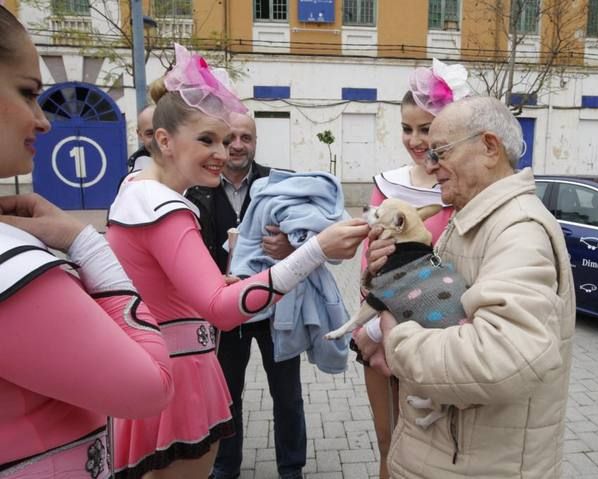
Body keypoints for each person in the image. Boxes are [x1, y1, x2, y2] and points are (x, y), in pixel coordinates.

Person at [106, 44, 369, 479]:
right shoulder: (164, 208)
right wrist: (316, 249)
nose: (222, 152)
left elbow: (174, 290)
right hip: (181, 370)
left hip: (158, 363)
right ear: (165, 141)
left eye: (225, 140)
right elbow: (221, 311)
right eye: (207, 140)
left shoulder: (136, 188)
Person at [359, 96, 576, 478]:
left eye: (440, 151)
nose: (429, 163)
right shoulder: (472, 218)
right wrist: (386, 274)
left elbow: (501, 356)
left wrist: (397, 340)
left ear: (489, 147)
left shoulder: (518, 231)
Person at [0, 7, 174, 478]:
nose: (44, 120)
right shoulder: (10, 269)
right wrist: (85, 243)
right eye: (27, 93)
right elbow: (150, 386)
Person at [350, 58, 468, 479]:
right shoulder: (387, 183)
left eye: (425, 128)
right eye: (407, 128)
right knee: (387, 443)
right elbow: (369, 264)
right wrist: (369, 315)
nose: (415, 140)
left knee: (424, 454)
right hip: (380, 329)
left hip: (434, 334)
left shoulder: (461, 189)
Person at [186, 113, 306, 479]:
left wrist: (290, 245)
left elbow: (308, 235)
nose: (238, 145)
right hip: (224, 311)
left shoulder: (279, 184)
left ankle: (291, 469)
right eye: (231, 137)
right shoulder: (196, 187)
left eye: (246, 138)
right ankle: (226, 467)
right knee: (226, 397)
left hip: (274, 310)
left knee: (287, 397)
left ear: (256, 141)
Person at [128, 104, 155, 172]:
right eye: (150, 134)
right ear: (140, 136)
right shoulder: (134, 178)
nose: (158, 139)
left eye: (162, 133)